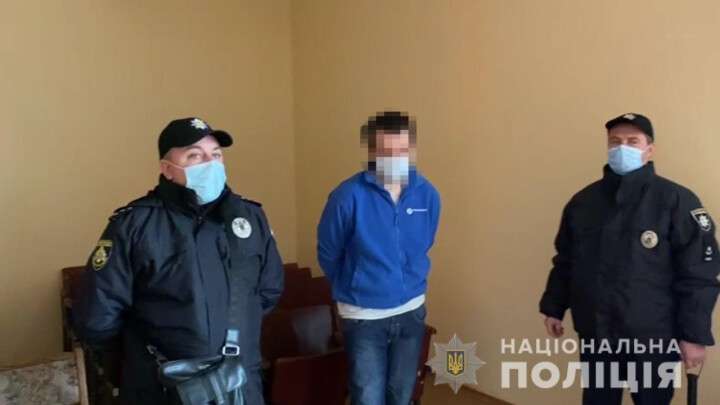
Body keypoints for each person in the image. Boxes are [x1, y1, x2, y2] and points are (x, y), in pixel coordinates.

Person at [74, 117, 283, 404]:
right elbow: (97, 318)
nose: (209, 163)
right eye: (194, 155)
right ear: (167, 169)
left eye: (216, 155)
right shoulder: (135, 225)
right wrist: (139, 356)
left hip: (239, 386)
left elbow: (268, 291)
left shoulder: (249, 218)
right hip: (163, 388)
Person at [539, 113, 720, 404]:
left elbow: (699, 275)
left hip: (654, 337)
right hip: (597, 331)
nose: (622, 148)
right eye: (615, 142)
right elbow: (566, 261)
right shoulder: (583, 202)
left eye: (632, 141)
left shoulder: (676, 200)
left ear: (650, 149)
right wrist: (554, 307)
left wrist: (694, 335)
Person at [317, 111, 441, 405]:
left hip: (411, 310)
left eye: (402, 150)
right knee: (368, 395)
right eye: (386, 151)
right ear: (372, 152)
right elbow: (328, 252)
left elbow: (426, 241)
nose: (395, 158)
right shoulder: (347, 196)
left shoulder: (427, 195)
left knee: (401, 393)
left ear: (412, 149)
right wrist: (357, 284)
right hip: (364, 315)